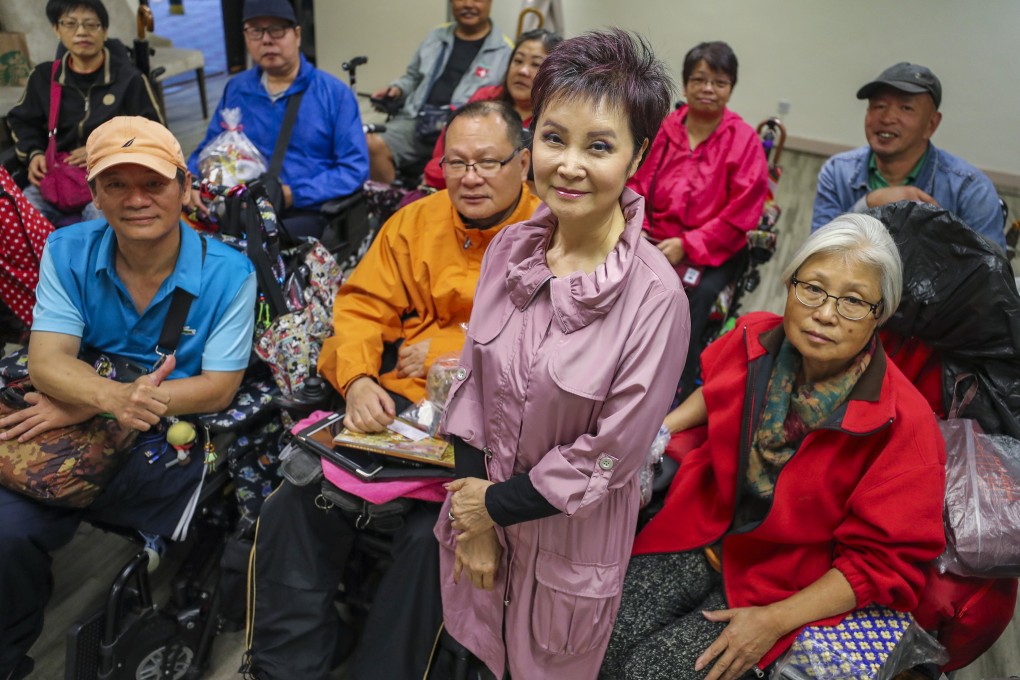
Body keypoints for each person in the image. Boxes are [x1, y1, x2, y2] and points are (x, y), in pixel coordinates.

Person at [246, 100, 541, 680]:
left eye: (487, 162)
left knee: (432, 540)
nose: (470, 177)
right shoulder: (416, 220)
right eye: (457, 163)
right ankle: (285, 668)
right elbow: (360, 307)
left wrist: (451, 352)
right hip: (402, 405)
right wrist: (356, 379)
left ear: (523, 163)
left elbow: (553, 351)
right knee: (294, 501)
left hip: (496, 428)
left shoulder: (552, 235)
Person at [436, 29, 689, 679]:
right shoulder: (509, 249)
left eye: (599, 146)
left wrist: (490, 507)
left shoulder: (656, 298)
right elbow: (471, 387)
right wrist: (477, 525)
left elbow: (611, 454)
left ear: (637, 155)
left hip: (567, 557)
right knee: (476, 655)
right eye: (554, 138)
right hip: (483, 527)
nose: (570, 165)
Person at [601, 214, 947, 680]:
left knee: (646, 672)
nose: (825, 313)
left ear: (879, 314)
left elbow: (880, 564)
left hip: (787, 583)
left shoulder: (904, 424)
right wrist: (661, 429)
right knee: (595, 640)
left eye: (853, 301)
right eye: (813, 289)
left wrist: (773, 622)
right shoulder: (755, 337)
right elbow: (719, 389)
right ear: (789, 284)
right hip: (702, 527)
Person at [0, 116, 256, 680]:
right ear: (94, 194)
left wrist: (94, 400)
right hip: (79, 411)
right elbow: (46, 360)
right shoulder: (68, 248)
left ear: (184, 188)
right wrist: (110, 398)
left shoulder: (229, 274)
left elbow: (218, 387)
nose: (137, 200)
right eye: (116, 184)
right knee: (9, 532)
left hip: (166, 425)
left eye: (154, 183)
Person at [626, 41, 768, 400]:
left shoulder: (743, 141)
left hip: (714, 249)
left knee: (697, 299)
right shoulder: (662, 129)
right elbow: (635, 181)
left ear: (731, 88)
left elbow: (741, 212)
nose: (708, 89)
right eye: (700, 80)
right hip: (651, 236)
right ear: (686, 83)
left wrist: (687, 245)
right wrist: (639, 230)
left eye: (719, 82)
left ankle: (680, 383)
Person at [186, 0, 368, 239]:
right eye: (256, 31)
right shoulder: (237, 89)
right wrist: (193, 180)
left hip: (302, 210)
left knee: (253, 243)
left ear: (297, 35)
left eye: (277, 30)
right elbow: (210, 148)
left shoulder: (333, 94)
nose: (266, 40)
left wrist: (293, 194)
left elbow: (354, 168)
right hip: (238, 204)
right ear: (246, 36)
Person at [812, 62, 1004, 250]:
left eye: (906, 108)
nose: (887, 118)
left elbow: (991, 268)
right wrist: (869, 204)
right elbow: (816, 254)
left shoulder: (969, 189)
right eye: (879, 105)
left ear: (931, 125)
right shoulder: (838, 171)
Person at [6, 0, 163, 225]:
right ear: (56, 29)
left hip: (110, 178)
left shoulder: (129, 80)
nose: (81, 32)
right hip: (55, 179)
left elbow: (155, 134)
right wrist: (34, 154)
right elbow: (22, 122)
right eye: (70, 24)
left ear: (104, 31)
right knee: (20, 216)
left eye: (91, 24)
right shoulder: (44, 77)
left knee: (99, 223)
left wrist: (104, 148)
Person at [366, 0, 512, 183]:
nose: (468, 4)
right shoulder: (437, 36)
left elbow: (502, 103)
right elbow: (413, 76)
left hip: (463, 131)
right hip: (417, 119)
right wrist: (397, 89)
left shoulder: (505, 51)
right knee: (370, 143)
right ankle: (390, 196)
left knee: (450, 170)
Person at [422, 28, 562, 190]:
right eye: (518, 61)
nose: (522, 71)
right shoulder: (486, 98)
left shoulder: (556, 119)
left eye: (535, 64)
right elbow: (441, 160)